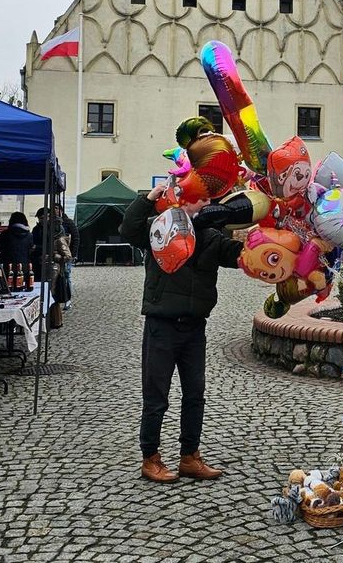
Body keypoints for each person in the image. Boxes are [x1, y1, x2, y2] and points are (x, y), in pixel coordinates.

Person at [120, 179, 236, 483]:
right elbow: (128, 229)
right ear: (184, 200)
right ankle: (150, 458)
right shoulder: (160, 226)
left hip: (195, 327)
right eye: (198, 199)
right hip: (162, 325)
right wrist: (148, 198)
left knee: (195, 394)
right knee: (156, 396)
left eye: (205, 200)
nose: (202, 204)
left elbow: (239, 256)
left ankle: (189, 456)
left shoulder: (211, 237)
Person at [0, 212, 35, 281]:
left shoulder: (5, 234)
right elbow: (32, 250)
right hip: (24, 267)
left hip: (7, 266)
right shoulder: (29, 236)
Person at [55, 203, 79, 309]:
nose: (54, 211)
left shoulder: (68, 222)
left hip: (66, 255)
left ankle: (68, 299)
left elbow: (76, 238)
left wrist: (73, 254)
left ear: (60, 210)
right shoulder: (51, 223)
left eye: (56, 208)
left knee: (67, 276)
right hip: (55, 255)